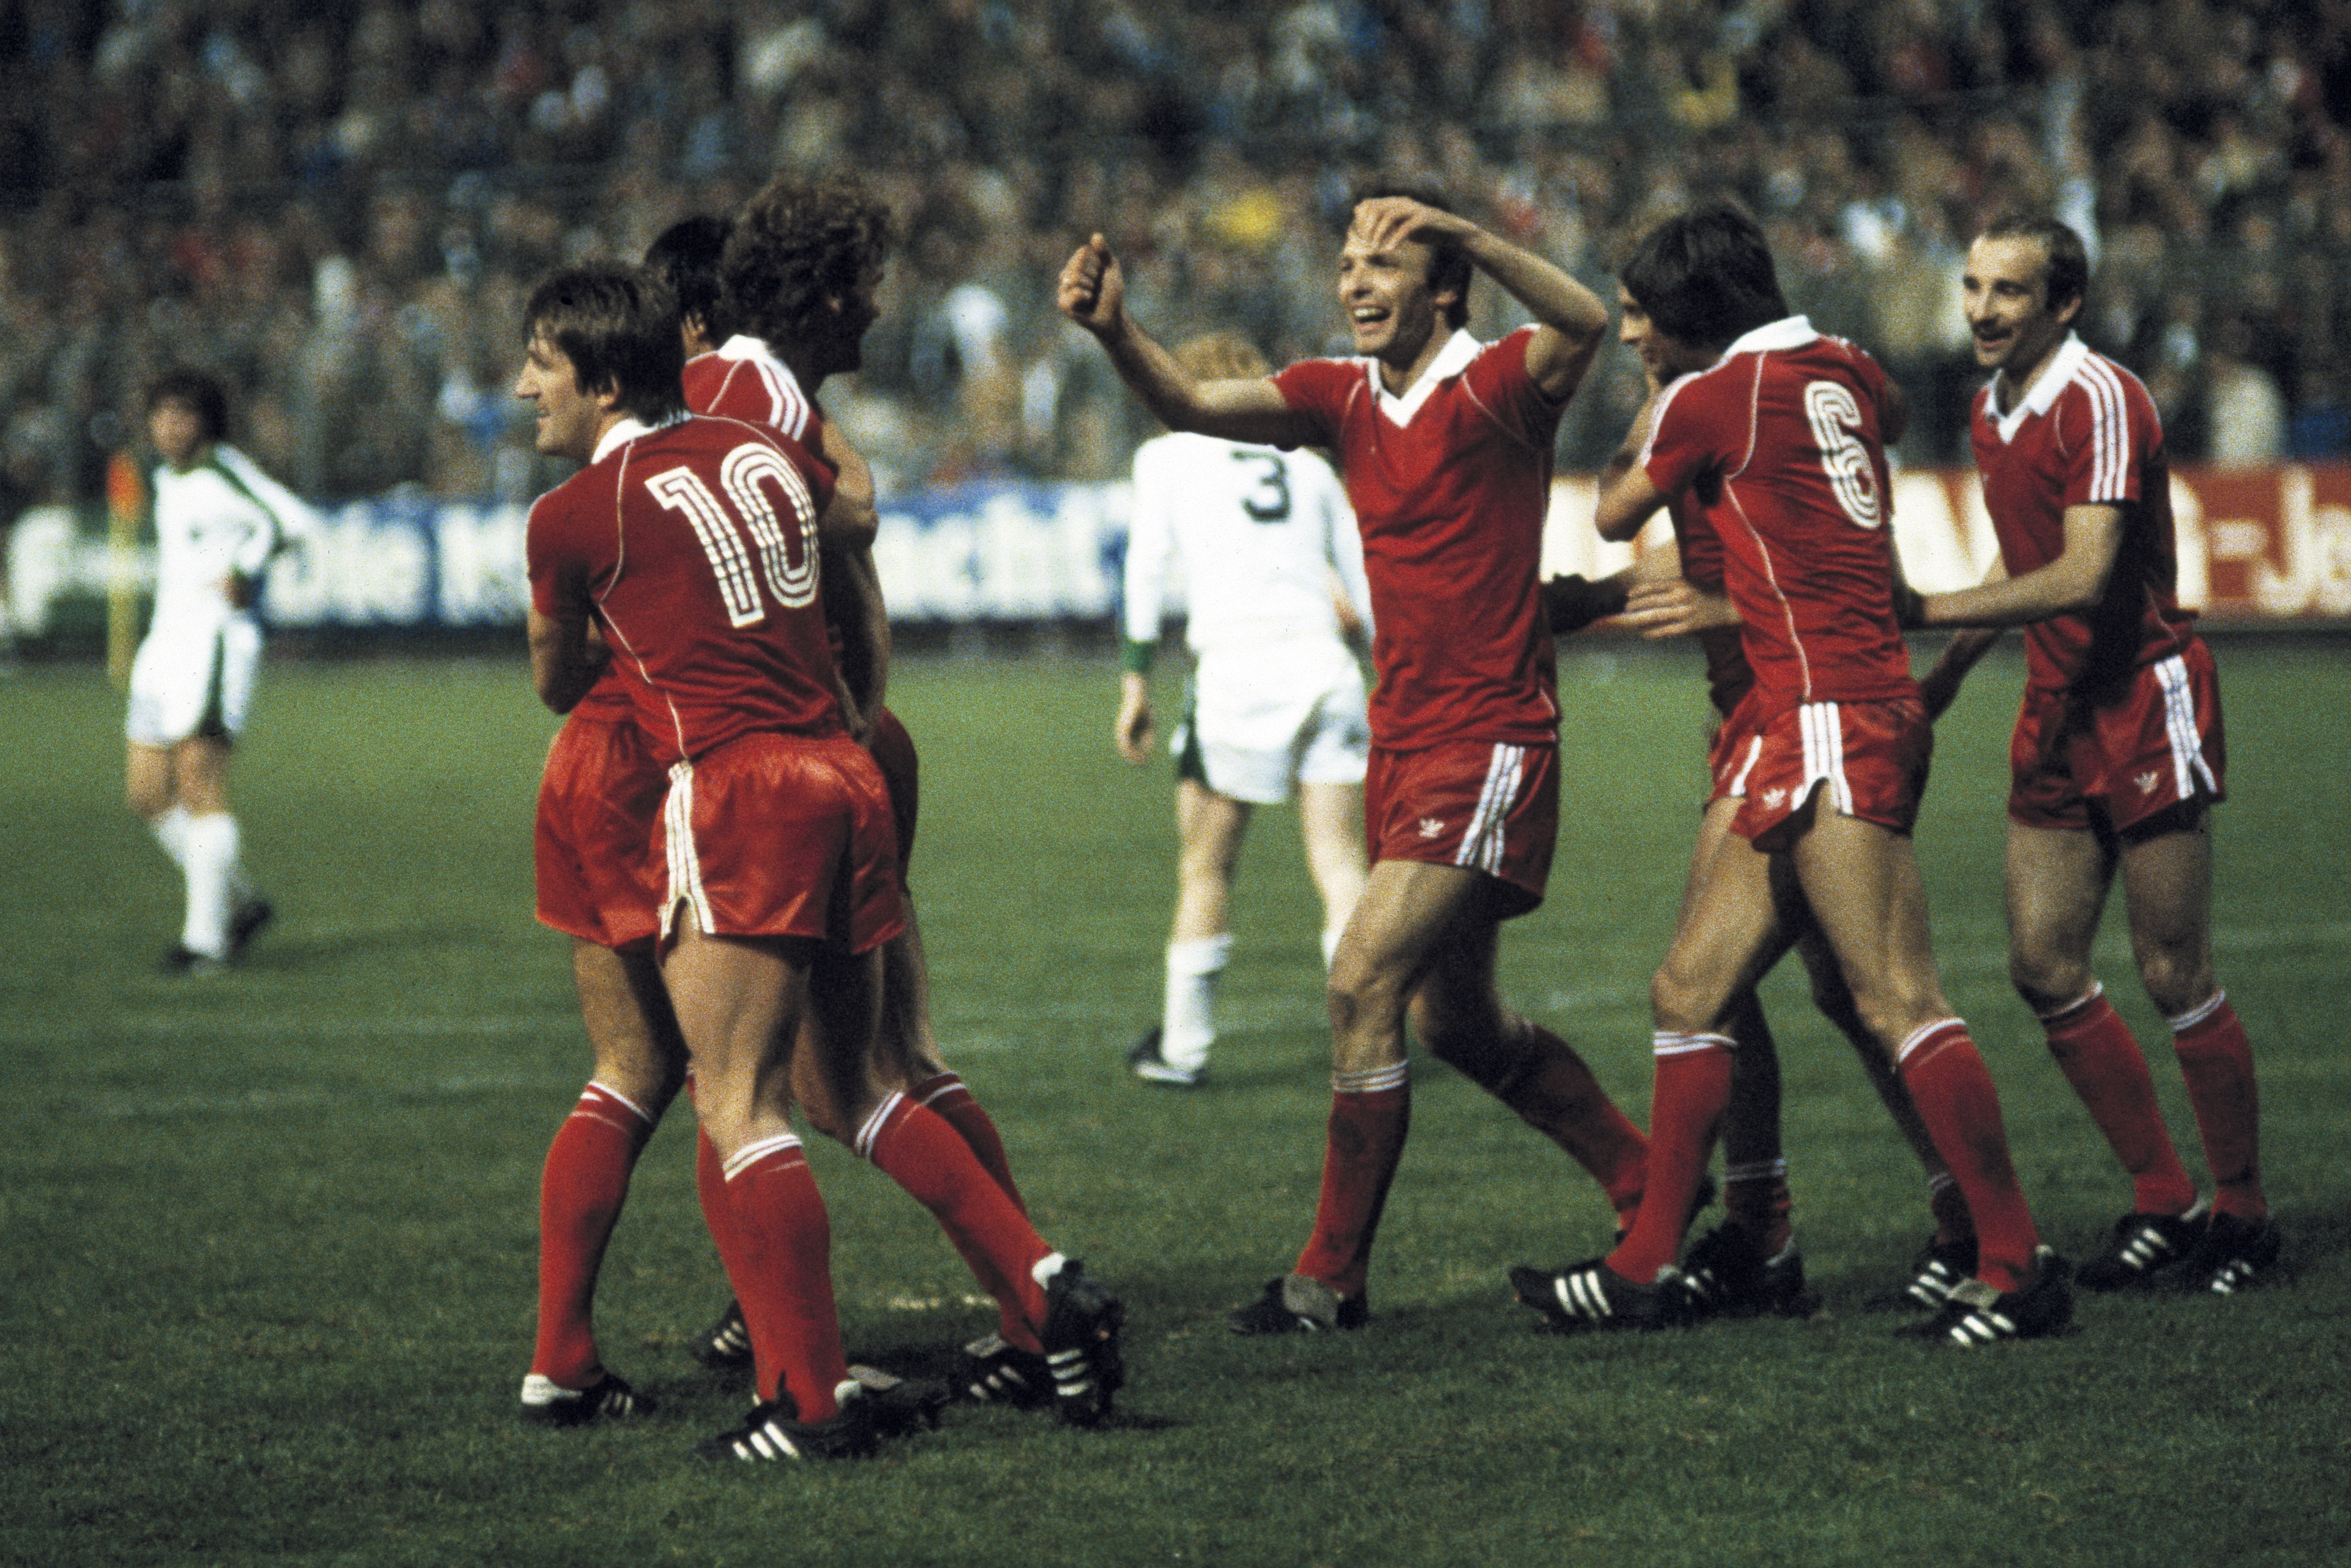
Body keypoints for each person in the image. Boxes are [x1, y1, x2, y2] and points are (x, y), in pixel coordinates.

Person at [520, 264, 1121, 1459]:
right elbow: (851, 535)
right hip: (842, 768)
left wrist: (642, 655)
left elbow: (554, 681)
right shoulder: (777, 456)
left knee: (733, 1095)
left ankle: (805, 1402)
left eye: (540, 362)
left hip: (735, 789)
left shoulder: (575, 514)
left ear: (600, 375)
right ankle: (1036, 1276)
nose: (523, 384)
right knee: (862, 1082)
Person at [1061, 187, 1655, 1334]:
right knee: (1457, 1025)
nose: (1354, 282)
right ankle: (1647, 1187)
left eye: (1384, 264)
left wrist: (1468, 228)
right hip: (1403, 737)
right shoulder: (1336, 396)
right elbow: (1184, 399)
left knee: (1358, 980)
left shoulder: (1496, 385)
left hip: (1490, 738)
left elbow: (1580, 322)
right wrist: (1110, 331)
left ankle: (1328, 1276)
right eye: (1345, 263)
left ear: (1443, 289)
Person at [1517, 201, 2068, 1346]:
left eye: (1638, 318)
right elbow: (1866, 433)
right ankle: (1653, 1257)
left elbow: (1619, 508)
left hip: (1823, 710)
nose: (1626, 336)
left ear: (1692, 318)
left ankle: (2012, 1261)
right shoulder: (1849, 370)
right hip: (1817, 702)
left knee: (1891, 994)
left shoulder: (1707, 396)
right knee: (1691, 990)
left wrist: (1658, 400)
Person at [685, 176, 1094, 1414]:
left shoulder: (728, 402)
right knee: (876, 1056)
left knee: (762, 1080)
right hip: (845, 745)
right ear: (819, 292)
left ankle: (789, 1353)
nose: (877, 303)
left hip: (771, 761)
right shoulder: (780, 407)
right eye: (864, 280)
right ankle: (1032, 1306)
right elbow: (850, 545)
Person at [1909, 213, 2279, 1294]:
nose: (1979, 308)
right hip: (2054, 702)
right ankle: (2162, 1197)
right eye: (1971, 285)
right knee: (2041, 966)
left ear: (2060, 304)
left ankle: (2243, 1213)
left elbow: (2078, 573)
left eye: (2007, 291)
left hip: (2141, 694)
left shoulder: (2101, 398)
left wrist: (1925, 608)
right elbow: (2016, 555)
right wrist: (1946, 672)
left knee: (2172, 969)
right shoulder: (1990, 408)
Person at [1117, 330, 1373, 1089]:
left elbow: (1145, 564)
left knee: (1206, 868)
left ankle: (1183, 1050)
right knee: (1338, 859)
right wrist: (1387, 662)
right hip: (1326, 667)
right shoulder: (1309, 463)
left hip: (1238, 673)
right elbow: (1358, 572)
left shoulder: (1167, 455)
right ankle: (1368, 1039)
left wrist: (1136, 680)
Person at [125, 369, 309, 976]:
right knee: (148, 796)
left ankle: (205, 942)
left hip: (213, 645)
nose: (170, 425)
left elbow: (292, 521)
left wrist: (247, 569)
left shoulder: (223, 470)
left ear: (206, 421)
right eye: (161, 413)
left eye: (183, 414)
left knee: (201, 784)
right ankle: (241, 900)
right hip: (163, 647)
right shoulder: (166, 478)